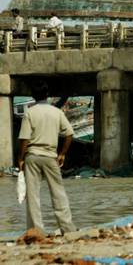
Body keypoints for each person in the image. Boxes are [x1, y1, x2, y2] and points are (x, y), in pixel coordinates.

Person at [17, 81, 76, 234]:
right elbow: (69, 133)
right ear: (47, 95)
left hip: (33, 156)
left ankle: (36, 230)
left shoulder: (30, 113)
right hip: (51, 156)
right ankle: (68, 228)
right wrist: (62, 153)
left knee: (33, 195)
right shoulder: (56, 112)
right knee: (58, 193)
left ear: (33, 96)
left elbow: (24, 139)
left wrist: (21, 158)